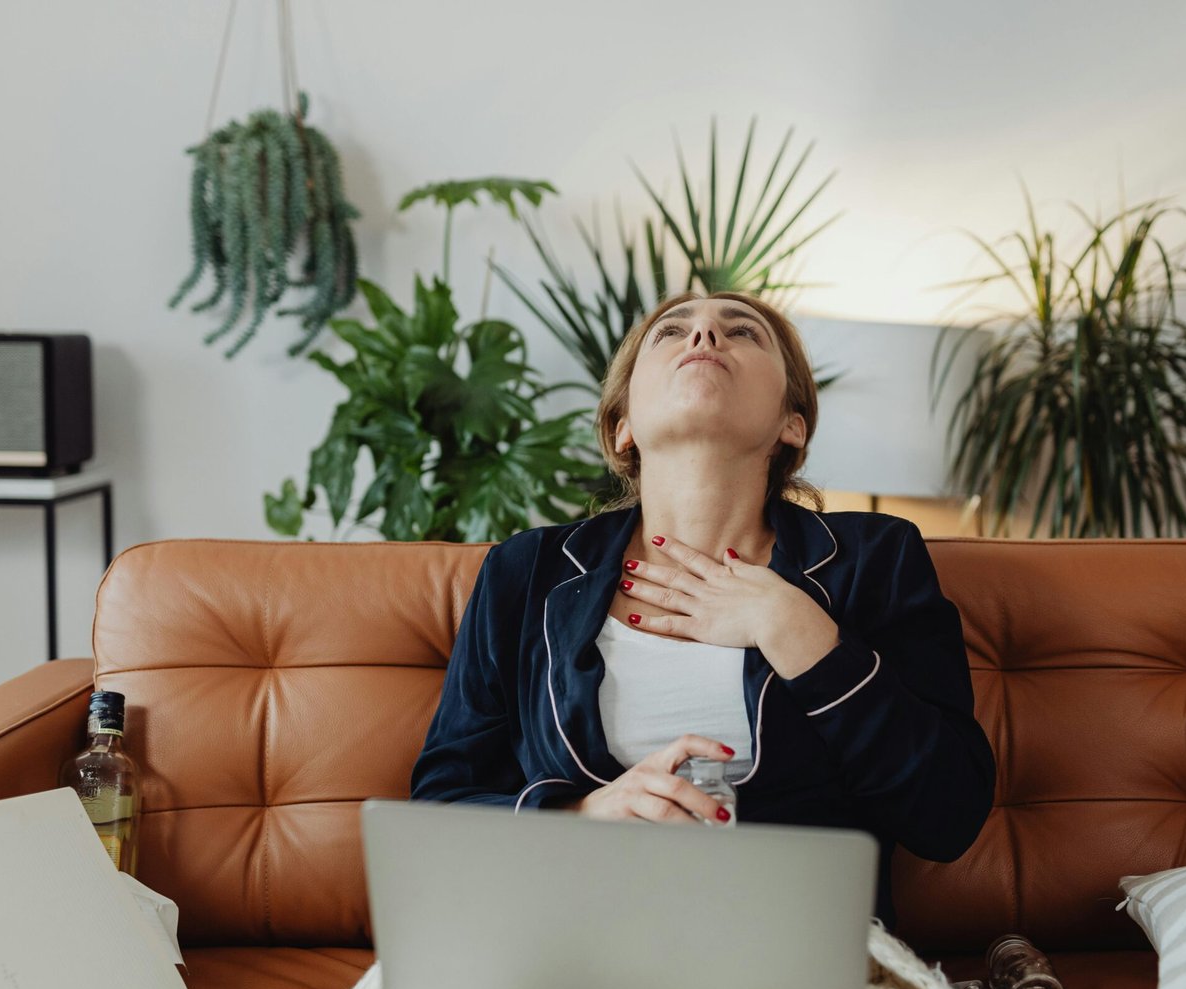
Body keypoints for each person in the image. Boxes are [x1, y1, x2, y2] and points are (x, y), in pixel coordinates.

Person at [410, 291, 996, 927]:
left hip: (792, 947)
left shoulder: (875, 558)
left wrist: (798, 632)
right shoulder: (525, 574)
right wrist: (581, 819)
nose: (704, 338)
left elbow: (948, 815)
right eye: (671, 333)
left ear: (791, 423)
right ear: (622, 427)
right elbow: (442, 809)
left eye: (741, 332)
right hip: (570, 937)